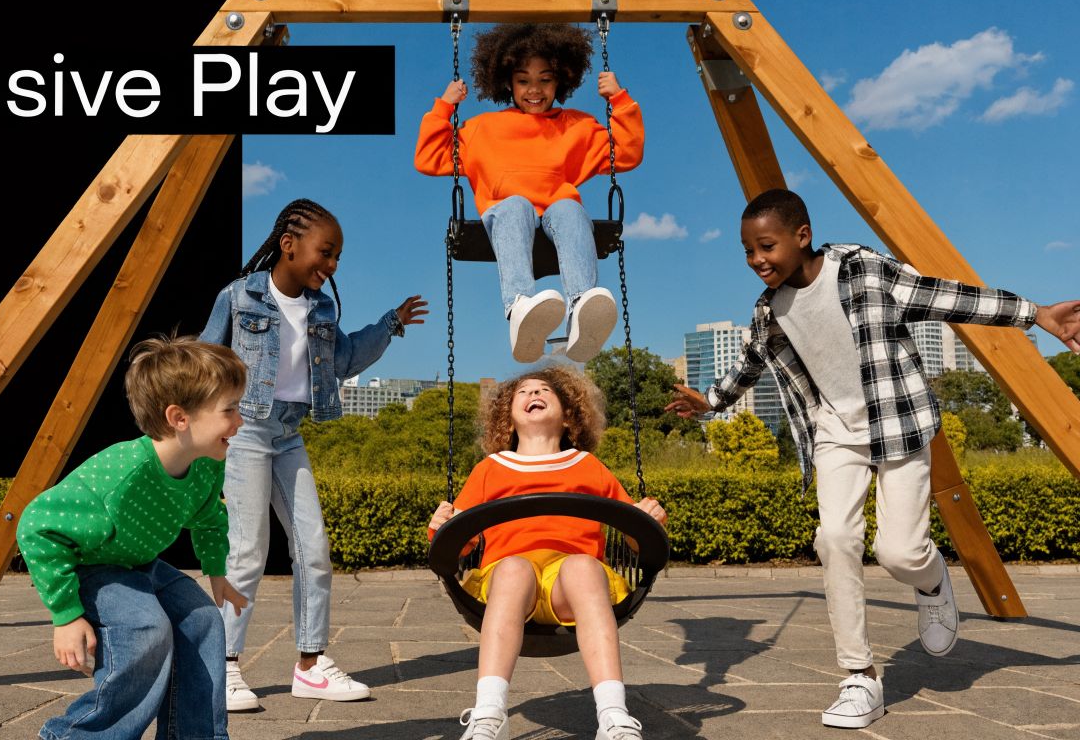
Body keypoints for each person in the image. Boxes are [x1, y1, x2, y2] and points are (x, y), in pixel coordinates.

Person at [665, 188, 1080, 730]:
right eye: (747, 251)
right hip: (834, 432)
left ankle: (930, 582)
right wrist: (709, 402)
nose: (757, 260)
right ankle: (859, 676)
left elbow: (944, 296)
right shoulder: (769, 311)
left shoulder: (860, 269)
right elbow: (749, 365)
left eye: (765, 246)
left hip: (898, 422)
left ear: (802, 236)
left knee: (899, 554)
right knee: (834, 537)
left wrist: (1036, 313)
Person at [200, 197, 429, 711]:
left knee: (314, 547)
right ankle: (224, 665)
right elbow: (203, 359)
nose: (331, 266)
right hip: (246, 432)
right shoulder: (239, 298)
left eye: (337, 258)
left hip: (290, 433)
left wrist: (390, 324)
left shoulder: (321, 309)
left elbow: (343, 360)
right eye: (325, 253)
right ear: (289, 245)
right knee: (247, 551)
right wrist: (197, 426)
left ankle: (310, 665)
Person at [16, 335, 250, 740]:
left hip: (140, 564)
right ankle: (81, 735)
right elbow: (37, 526)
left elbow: (210, 518)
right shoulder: (122, 476)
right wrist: (66, 615)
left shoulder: (206, 465)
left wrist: (216, 573)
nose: (240, 421)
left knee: (203, 621)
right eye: (229, 409)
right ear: (180, 417)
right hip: (90, 566)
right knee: (146, 627)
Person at [428, 366, 667, 740]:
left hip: (571, 587)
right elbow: (459, 544)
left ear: (569, 415)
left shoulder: (588, 465)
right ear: (507, 417)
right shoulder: (490, 469)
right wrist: (442, 524)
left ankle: (614, 716)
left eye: (544, 391)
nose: (533, 394)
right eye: (523, 391)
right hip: (508, 584)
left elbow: (634, 534)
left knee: (583, 568)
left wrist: (649, 519)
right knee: (514, 570)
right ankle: (489, 715)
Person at [414, 23, 645, 364]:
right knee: (516, 206)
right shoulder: (483, 130)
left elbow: (625, 152)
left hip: (557, 219)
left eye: (545, 79)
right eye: (523, 80)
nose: (534, 89)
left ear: (561, 80)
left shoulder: (576, 127)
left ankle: (582, 306)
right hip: (507, 216)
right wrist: (444, 108)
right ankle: (521, 308)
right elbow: (428, 157)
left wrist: (619, 99)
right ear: (508, 82)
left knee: (568, 207)